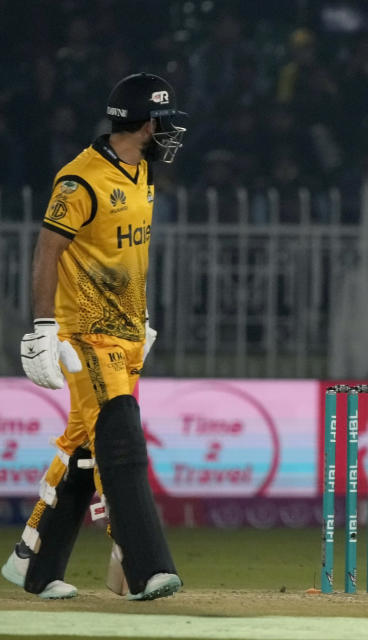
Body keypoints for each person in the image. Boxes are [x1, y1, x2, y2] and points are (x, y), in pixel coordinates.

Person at [1, 73, 186, 600]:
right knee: (119, 433)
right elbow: (46, 252)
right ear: (148, 123)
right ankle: (143, 568)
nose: (169, 133)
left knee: (82, 445)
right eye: (165, 122)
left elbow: (127, 252)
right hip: (87, 332)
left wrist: (141, 316)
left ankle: (31, 561)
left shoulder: (141, 170)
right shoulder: (79, 180)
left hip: (126, 331)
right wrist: (41, 328)